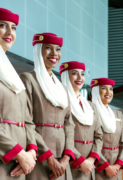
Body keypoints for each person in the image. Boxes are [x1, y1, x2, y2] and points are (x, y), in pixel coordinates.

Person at [19, 33, 75, 180]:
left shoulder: (62, 88)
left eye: (58, 49)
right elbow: (27, 122)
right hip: (39, 156)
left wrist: (67, 157)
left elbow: (69, 124)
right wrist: (48, 157)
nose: (54, 54)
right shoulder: (28, 79)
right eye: (48, 48)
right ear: (38, 51)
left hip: (63, 161)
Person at [0, 7, 37, 180]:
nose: (9, 32)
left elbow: (28, 120)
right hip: (6, 155)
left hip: (20, 162)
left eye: (13, 28)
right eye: (2, 25)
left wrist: (31, 152)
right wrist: (19, 153)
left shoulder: (12, 73)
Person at [60, 61, 103, 180]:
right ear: (65, 76)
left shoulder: (91, 106)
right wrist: (81, 161)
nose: (80, 78)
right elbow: (61, 136)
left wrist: (91, 159)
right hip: (70, 164)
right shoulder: (60, 102)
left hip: (89, 166)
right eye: (74, 73)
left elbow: (99, 136)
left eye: (83, 74)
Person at [91, 78, 123, 180]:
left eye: (111, 89)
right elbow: (91, 143)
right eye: (104, 88)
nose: (108, 92)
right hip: (98, 164)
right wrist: (106, 166)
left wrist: (117, 166)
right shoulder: (90, 112)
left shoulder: (118, 114)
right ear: (96, 91)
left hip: (116, 168)